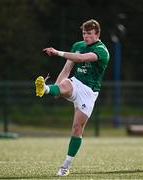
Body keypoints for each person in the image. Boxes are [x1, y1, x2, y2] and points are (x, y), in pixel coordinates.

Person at [35, 19, 110, 176]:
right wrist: (56, 88)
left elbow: (82, 59)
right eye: (84, 33)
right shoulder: (78, 46)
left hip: (89, 93)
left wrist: (57, 53)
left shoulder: (102, 51)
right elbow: (67, 68)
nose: (86, 36)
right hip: (76, 83)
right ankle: (46, 89)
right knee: (66, 85)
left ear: (97, 34)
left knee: (77, 128)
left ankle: (65, 165)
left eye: (89, 34)